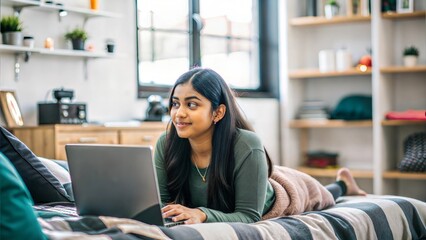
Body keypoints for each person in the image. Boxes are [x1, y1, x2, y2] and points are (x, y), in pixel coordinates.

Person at [154, 67, 366, 225]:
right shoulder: (166, 144)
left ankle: (344, 184)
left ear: (218, 112)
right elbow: (161, 205)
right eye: (175, 103)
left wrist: (202, 214)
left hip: (285, 191)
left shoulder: (246, 144)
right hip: (257, 176)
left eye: (191, 104)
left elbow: (248, 216)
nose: (179, 113)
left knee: (323, 195)